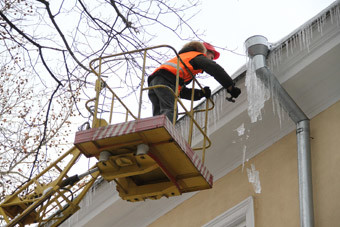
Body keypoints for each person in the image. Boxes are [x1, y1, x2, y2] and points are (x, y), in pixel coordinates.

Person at [148, 41, 241, 122]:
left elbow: (180, 91)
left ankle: (155, 132)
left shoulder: (184, 60)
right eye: (211, 57)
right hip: (166, 81)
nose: (211, 60)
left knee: (159, 115)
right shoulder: (196, 56)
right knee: (171, 111)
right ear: (204, 52)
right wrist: (230, 87)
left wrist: (199, 94)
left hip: (155, 81)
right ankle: (164, 133)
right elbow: (215, 69)